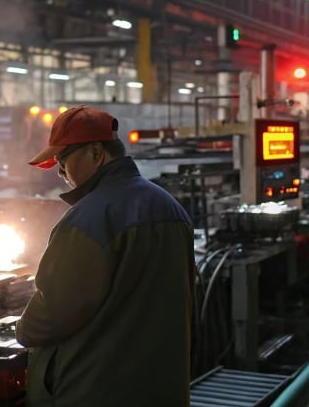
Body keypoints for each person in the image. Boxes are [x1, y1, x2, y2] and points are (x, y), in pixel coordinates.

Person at [16, 105, 196, 406]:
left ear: (96, 153)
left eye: (63, 161)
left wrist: (21, 327)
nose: (62, 174)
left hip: (97, 392)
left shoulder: (88, 219)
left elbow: (51, 316)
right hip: (163, 388)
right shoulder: (169, 207)